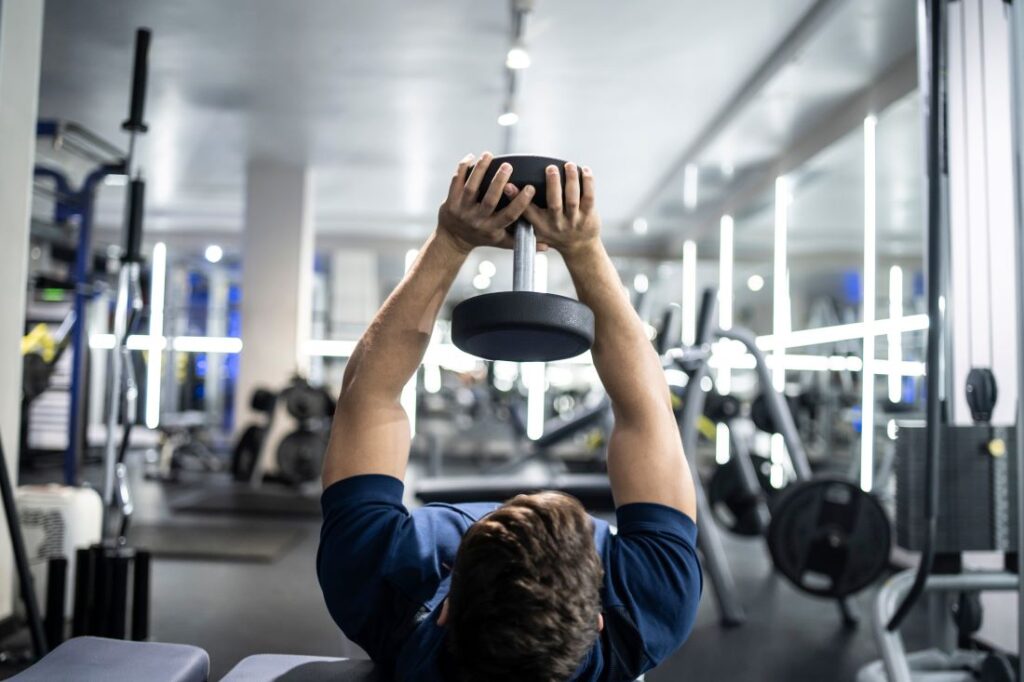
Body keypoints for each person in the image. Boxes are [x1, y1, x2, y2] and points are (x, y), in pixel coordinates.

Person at [317, 153, 701, 682]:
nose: (508, 500)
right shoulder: (649, 605)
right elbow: (646, 410)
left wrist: (451, 240)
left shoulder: (384, 582)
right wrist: (583, 247)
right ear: (596, 623)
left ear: (445, 608)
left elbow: (369, 391)